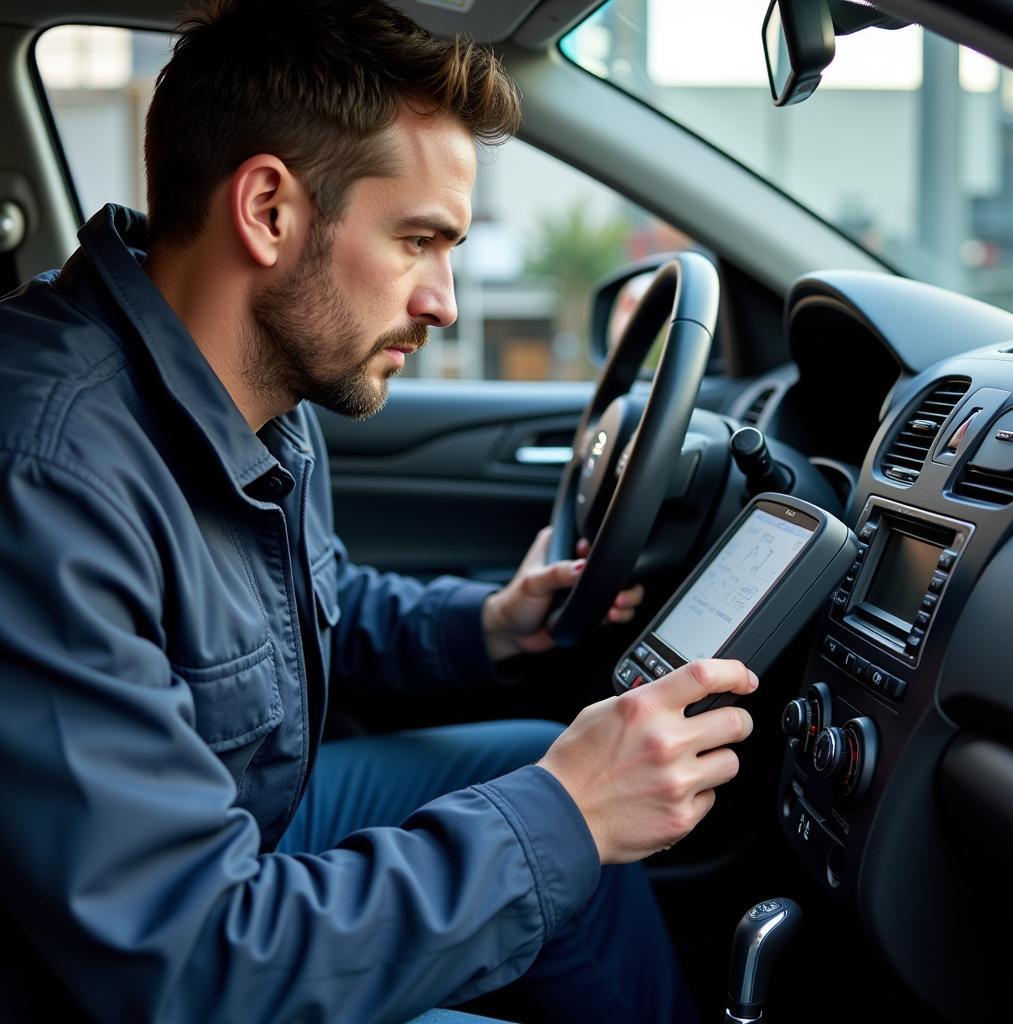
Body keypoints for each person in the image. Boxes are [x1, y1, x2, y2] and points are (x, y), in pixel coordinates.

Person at [0, 1, 757, 1021]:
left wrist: (486, 624)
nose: (442, 300)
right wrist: (569, 815)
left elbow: (290, 606)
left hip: (230, 827)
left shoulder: (248, 385)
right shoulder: (46, 474)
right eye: (418, 240)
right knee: (561, 806)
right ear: (268, 210)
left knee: (530, 759)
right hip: (134, 962)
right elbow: (182, 963)